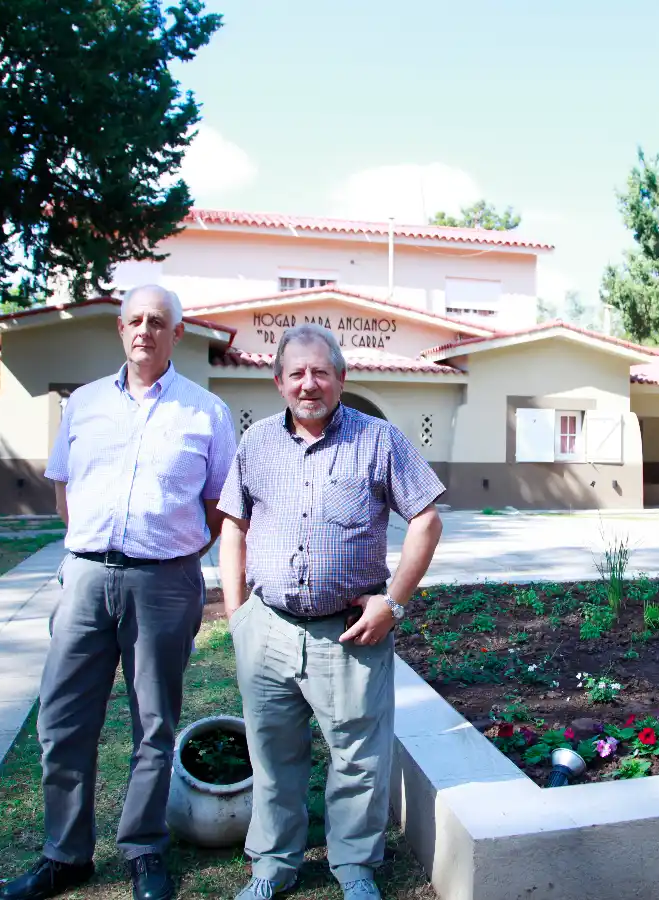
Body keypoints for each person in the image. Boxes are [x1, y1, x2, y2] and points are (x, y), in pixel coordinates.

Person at [0, 285, 238, 900]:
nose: (144, 331)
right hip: (84, 577)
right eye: (134, 320)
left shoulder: (204, 411)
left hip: (164, 581)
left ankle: (143, 849)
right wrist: (92, 547)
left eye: (158, 322)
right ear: (120, 330)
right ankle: (65, 853)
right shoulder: (83, 405)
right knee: (62, 719)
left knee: (154, 724)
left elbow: (220, 505)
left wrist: (173, 551)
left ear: (177, 334)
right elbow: (63, 490)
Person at [218, 323, 444, 900]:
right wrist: (237, 613)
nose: (309, 384)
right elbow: (234, 528)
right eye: (296, 373)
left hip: (349, 635)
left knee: (358, 757)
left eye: (321, 372)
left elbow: (426, 518)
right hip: (266, 628)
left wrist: (393, 603)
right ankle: (272, 863)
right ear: (278, 382)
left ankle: (354, 867)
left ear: (341, 378)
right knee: (272, 753)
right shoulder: (255, 445)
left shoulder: (379, 439)